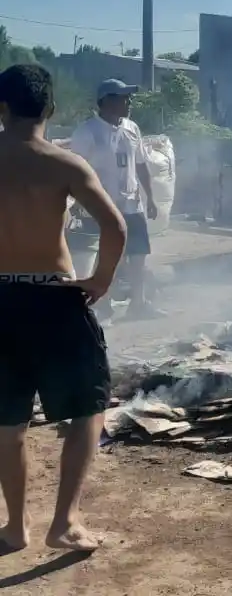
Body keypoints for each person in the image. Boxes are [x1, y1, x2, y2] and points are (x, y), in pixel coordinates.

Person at [0, 64, 127, 551]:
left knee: (6, 428)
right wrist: (100, 281)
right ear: (50, 109)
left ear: (1, 108)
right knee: (86, 414)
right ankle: (65, 523)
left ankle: (14, 527)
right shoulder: (64, 164)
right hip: (55, 299)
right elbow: (115, 227)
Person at [70, 78, 162, 320]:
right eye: (123, 97)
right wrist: (79, 202)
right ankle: (104, 303)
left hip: (132, 204)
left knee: (138, 254)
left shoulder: (132, 129)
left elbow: (141, 164)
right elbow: (75, 170)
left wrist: (150, 197)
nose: (128, 102)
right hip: (101, 207)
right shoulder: (87, 132)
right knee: (105, 255)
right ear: (106, 101)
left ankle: (138, 303)